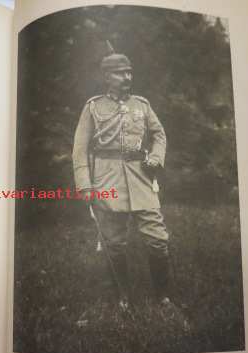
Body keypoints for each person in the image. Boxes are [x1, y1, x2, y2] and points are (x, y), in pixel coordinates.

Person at [72, 47, 173, 311]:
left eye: (129, 72)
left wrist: (156, 157)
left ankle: (163, 297)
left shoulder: (142, 105)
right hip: (107, 180)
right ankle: (122, 297)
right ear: (107, 77)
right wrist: (85, 185)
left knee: (158, 238)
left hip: (141, 177)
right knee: (114, 242)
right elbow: (79, 149)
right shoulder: (93, 107)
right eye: (119, 73)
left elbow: (159, 135)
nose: (127, 77)